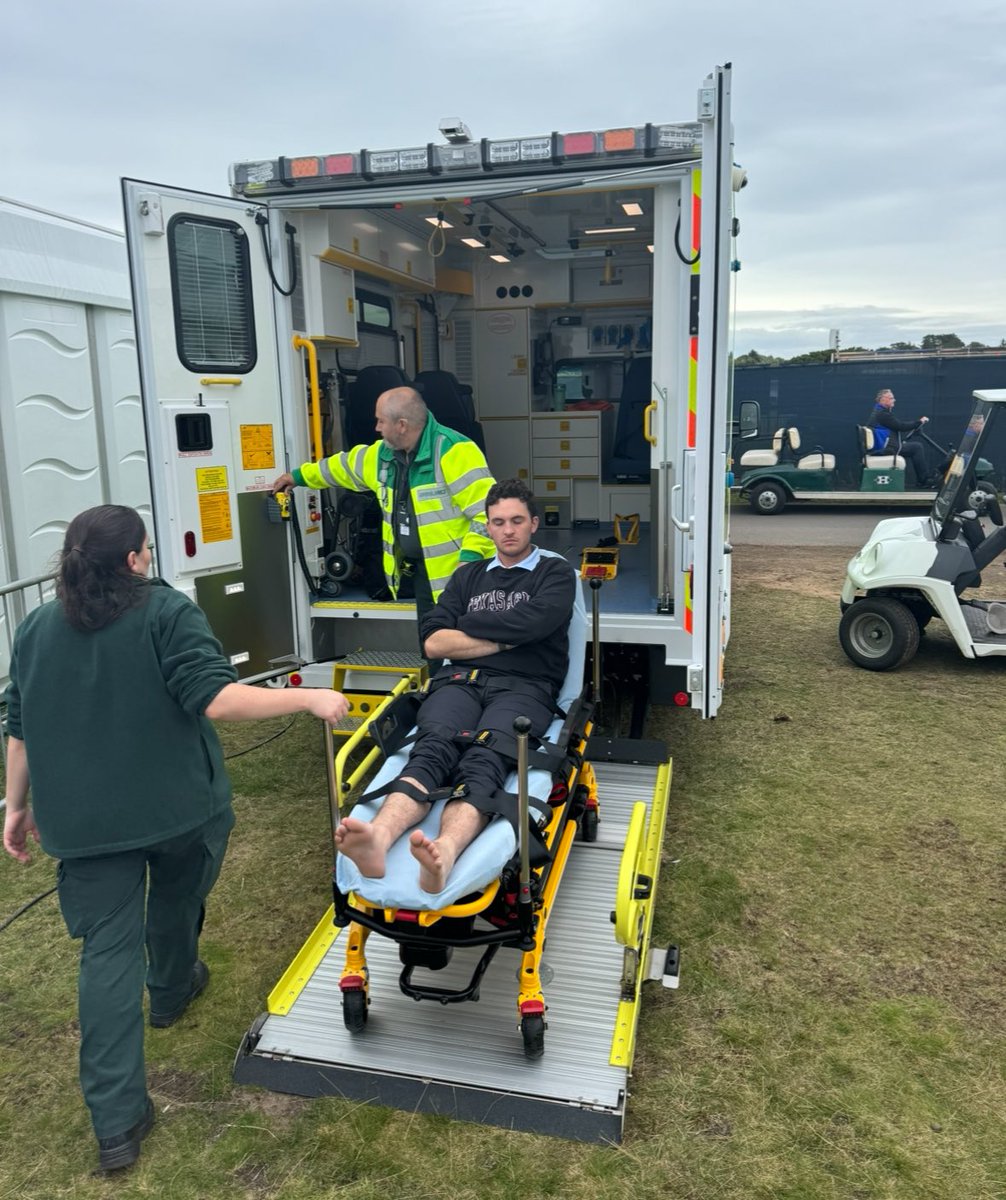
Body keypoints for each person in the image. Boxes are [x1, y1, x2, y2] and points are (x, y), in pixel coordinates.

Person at [2, 505, 350, 1173]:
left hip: (83, 827)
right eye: (149, 549)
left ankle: (117, 1124)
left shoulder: (37, 627)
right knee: (179, 888)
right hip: (178, 810)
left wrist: (15, 807)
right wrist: (308, 699)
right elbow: (216, 699)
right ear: (133, 558)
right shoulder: (166, 613)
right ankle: (168, 985)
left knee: (106, 959)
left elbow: (19, 726)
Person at [333, 479, 577, 895]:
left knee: (488, 754)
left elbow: (538, 622)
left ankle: (444, 852)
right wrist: (507, 640)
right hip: (458, 682)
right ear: (488, 527)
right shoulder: (469, 576)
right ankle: (378, 838)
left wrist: (463, 630)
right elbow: (431, 639)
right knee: (432, 747)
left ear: (534, 523)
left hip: (525, 687)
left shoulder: (554, 572)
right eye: (499, 522)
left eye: (517, 520)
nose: (509, 530)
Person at [272, 386, 496, 665]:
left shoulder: (454, 451)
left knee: (464, 649)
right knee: (433, 646)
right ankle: (439, 695)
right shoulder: (383, 456)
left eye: (380, 420)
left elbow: (489, 514)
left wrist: (469, 561)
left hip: (461, 577)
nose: (376, 427)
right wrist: (297, 477)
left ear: (401, 425)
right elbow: (342, 467)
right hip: (422, 574)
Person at [867, 388, 934, 487]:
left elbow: (897, 426)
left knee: (915, 447)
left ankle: (923, 480)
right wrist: (919, 422)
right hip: (885, 449)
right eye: (891, 398)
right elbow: (901, 426)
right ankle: (924, 480)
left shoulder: (880, 412)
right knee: (917, 447)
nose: (894, 400)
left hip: (885, 446)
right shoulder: (882, 414)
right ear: (883, 400)